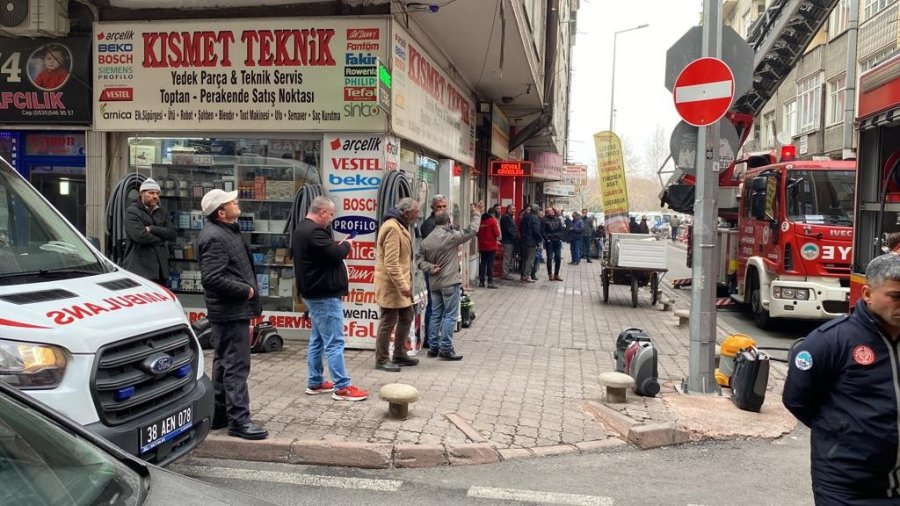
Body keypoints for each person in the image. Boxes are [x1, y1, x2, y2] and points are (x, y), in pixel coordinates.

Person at [783, 253, 900, 504]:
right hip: (846, 489)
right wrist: (843, 433)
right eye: (896, 297)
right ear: (867, 294)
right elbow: (798, 399)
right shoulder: (830, 340)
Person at [196, 189, 267, 440]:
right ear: (221, 211)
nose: (237, 202)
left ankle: (219, 416)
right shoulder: (216, 236)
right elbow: (212, 278)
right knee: (236, 365)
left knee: (224, 363)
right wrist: (245, 291)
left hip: (230, 309)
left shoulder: (226, 231)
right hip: (230, 309)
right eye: (231, 201)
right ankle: (239, 420)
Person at [293, 196, 368, 401]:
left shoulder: (302, 229)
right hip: (323, 295)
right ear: (323, 212)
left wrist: (337, 246)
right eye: (331, 214)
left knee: (318, 340)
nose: (331, 219)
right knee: (335, 342)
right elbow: (335, 253)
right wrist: (347, 244)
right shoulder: (314, 232)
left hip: (315, 292)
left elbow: (325, 253)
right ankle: (342, 387)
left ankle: (315, 381)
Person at [417, 202, 483, 360]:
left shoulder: (426, 241)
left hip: (434, 283)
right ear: (448, 223)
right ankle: (446, 347)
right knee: (450, 315)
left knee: (435, 315)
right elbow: (472, 230)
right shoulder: (450, 237)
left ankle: (433, 347)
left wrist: (430, 267)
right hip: (449, 282)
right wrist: (476, 214)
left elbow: (419, 261)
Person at [373, 198, 421, 372]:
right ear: (406, 212)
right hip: (391, 285)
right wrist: (402, 285)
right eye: (415, 212)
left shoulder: (401, 225)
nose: (417, 216)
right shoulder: (392, 227)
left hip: (400, 284)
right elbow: (391, 262)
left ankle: (400, 353)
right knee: (388, 321)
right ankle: (381, 359)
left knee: (407, 316)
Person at [123, 178, 175, 285]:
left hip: (160, 271)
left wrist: (152, 228)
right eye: (151, 193)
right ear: (142, 193)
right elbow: (140, 236)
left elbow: (172, 234)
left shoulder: (162, 212)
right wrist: (162, 239)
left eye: (157, 193)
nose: (155, 196)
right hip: (140, 271)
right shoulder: (132, 212)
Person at [419, 195, 448, 349]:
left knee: (441, 304)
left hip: (444, 269)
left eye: (444, 206)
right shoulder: (428, 225)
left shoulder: (446, 224)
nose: (442, 210)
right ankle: (430, 340)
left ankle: (436, 336)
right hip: (432, 269)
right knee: (433, 304)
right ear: (432, 208)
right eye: (439, 207)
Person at [477, 208, 501, 288]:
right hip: (491, 246)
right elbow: (497, 233)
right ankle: (490, 282)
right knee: (490, 264)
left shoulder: (481, 221)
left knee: (483, 263)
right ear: (493, 214)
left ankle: (481, 282)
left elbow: (477, 233)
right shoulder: (492, 221)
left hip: (482, 246)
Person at [541, 207, 565, 281]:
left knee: (558, 258)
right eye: (550, 211)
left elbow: (561, 229)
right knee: (549, 258)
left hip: (557, 241)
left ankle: (556, 274)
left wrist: (560, 237)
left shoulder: (558, 219)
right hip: (549, 241)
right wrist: (547, 239)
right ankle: (550, 274)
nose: (552, 212)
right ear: (547, 212)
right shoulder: (544, 220)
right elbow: (542, 231)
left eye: (552, 211)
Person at [519, 205, 542, 282]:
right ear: (536, 210)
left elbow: (521, 228)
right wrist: (539, 239)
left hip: (524, 241)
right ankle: (526, 276)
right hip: (531, 242)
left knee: (524, 259)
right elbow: (536, 231)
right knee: (530, 260)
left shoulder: (525, 217)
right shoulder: (535, 218)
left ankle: (523, 275)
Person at [499, 204, 519, 281]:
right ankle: (505, 274)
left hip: (509, 241)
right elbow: (508, 230)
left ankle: (506, 273)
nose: (514, 210)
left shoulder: (510, 218)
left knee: (508, 258)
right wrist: (514, 236)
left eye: (515, 209)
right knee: (507, 258)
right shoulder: (506, 218)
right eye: (513, 209)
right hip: (507, 241)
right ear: (508, 209)